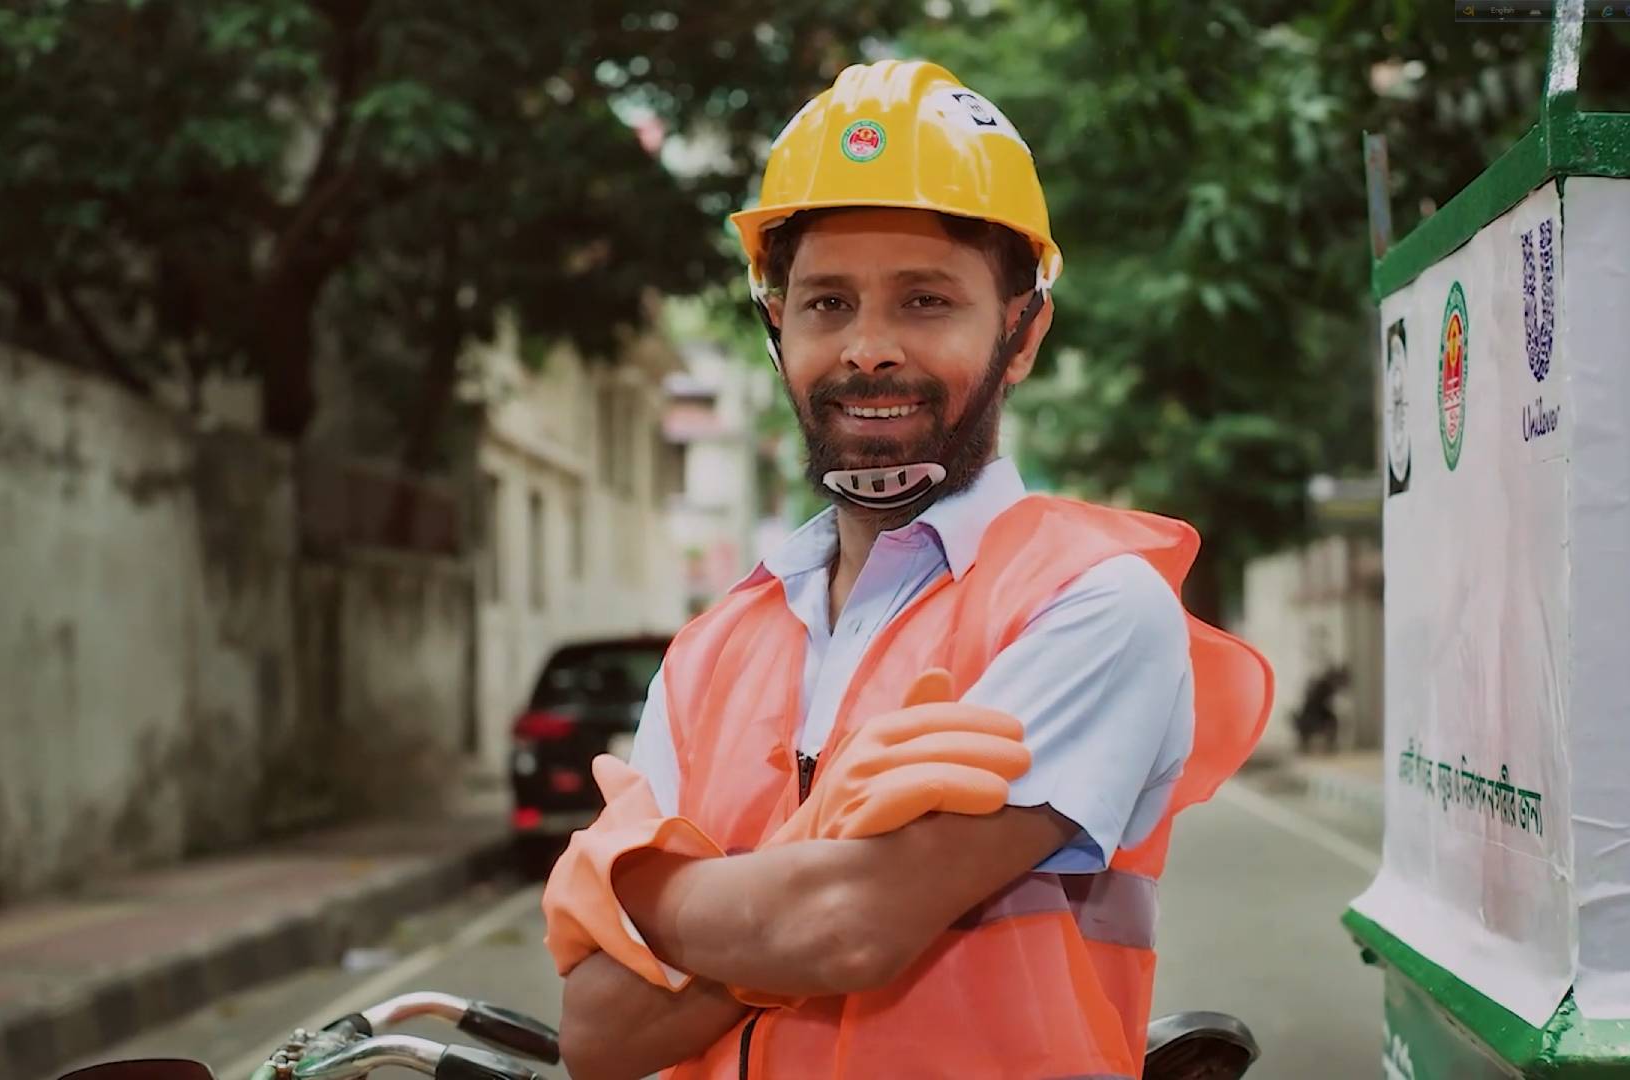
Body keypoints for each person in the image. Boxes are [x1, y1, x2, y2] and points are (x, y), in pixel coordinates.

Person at [541, 59, 1272, 1080]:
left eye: (925, 300)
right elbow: (598, 1034)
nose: (868, 348)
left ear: (1023, 333)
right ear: (777, 328)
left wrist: (631, 882)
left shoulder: (1091, 603)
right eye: (826, 302)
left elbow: (849, 930)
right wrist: (815, 851)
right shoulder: (708, 656)